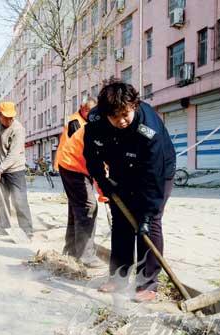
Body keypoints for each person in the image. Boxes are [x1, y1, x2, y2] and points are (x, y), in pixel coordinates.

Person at [82, 80, 176, 302]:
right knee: (122, 221)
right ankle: (118, 277)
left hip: (156, 172)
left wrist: (147, 212)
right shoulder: (96, 121)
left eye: (126, 114)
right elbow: (91, 155)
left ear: (134, 105)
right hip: (121, 168)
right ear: (105, 114)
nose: (122, 121)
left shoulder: (149, 128)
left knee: (149, 225)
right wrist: (102, 181)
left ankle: (148, 284)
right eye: (116, 117)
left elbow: (154, 175)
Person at [53, 98, 101, 265]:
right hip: (72, 165)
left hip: (75, 164)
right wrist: (103, 192)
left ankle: (71, 251)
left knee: (76, 207)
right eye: (89, 111)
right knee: (88, 206)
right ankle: (85, 255)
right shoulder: (76, 123)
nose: (91, 115)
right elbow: (95, 162)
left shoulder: (93, 123)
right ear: (82, 108)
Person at [0, 101, 33, 237]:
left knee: (19, 200)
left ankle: (27, 230)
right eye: (6, 117)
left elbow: (14, 154)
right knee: (1, 200)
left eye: (11, 117)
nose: (9, 120)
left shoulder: (18, 129)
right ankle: (4, 228)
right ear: (0, 115)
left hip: (15, 169)